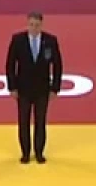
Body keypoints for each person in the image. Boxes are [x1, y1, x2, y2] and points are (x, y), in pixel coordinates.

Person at [4, 12, 64, 164]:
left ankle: (39, 152)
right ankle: (25, 153)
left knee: (40, 121)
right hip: (23, 90)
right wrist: (12, 87)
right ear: (27, 24)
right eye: (31, 24)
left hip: (42, 90)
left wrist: (55, 88)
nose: (34, 28)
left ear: (41, 25)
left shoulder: (50, 41)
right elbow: (10, 65)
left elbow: (58, 65)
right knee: (23, 121)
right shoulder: (18, 40)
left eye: (37, 25)